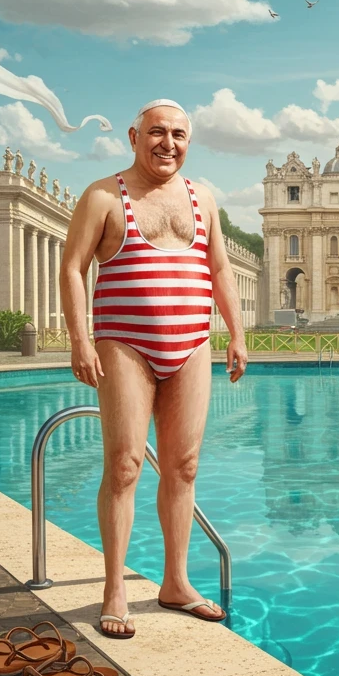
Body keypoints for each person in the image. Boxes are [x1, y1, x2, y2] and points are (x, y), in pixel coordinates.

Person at [60, 99, 249, 639]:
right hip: (125, 344)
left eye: (179, 135)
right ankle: (115, 588)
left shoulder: (202, 197)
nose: (169, 143)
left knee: (184, 466)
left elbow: (219, 267)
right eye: (158, 133)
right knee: (123, 466)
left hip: (192, 345)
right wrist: (80, 340)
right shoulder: (102, 195)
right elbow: (72, 268)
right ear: (133, 135)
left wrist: (236, 334)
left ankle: (175, 583)